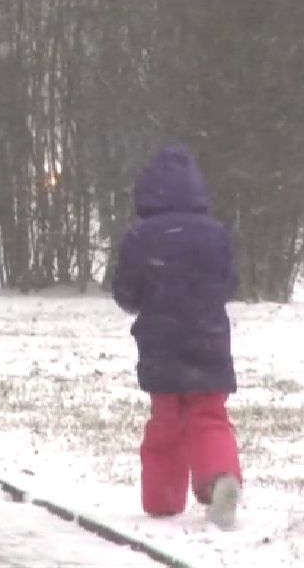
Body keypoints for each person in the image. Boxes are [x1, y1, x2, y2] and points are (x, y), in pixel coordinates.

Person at [112, 145, 242, 530]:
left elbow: (126, 293)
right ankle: (221, 477)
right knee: (209, 415)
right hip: (210, 337)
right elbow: (229, 283)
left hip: (160, 341)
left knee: (166, 420)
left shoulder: (140, 235)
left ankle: (163, 501)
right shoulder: (216, 233)